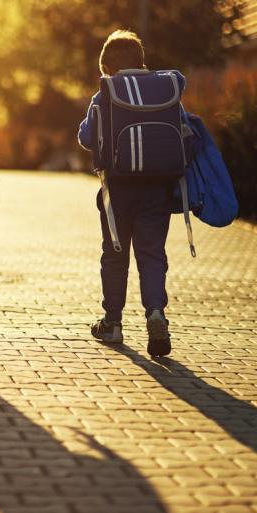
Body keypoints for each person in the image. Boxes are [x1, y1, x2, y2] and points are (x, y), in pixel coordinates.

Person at [77, 30, 173, 357]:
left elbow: (88, 137)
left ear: (105, 68)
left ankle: (113, 323)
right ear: (142, 62)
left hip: (117, 189)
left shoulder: (105, 92)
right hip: (158, 187)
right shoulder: (164, 88)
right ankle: (156, 312)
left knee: (115, 255)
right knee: (152, 254)